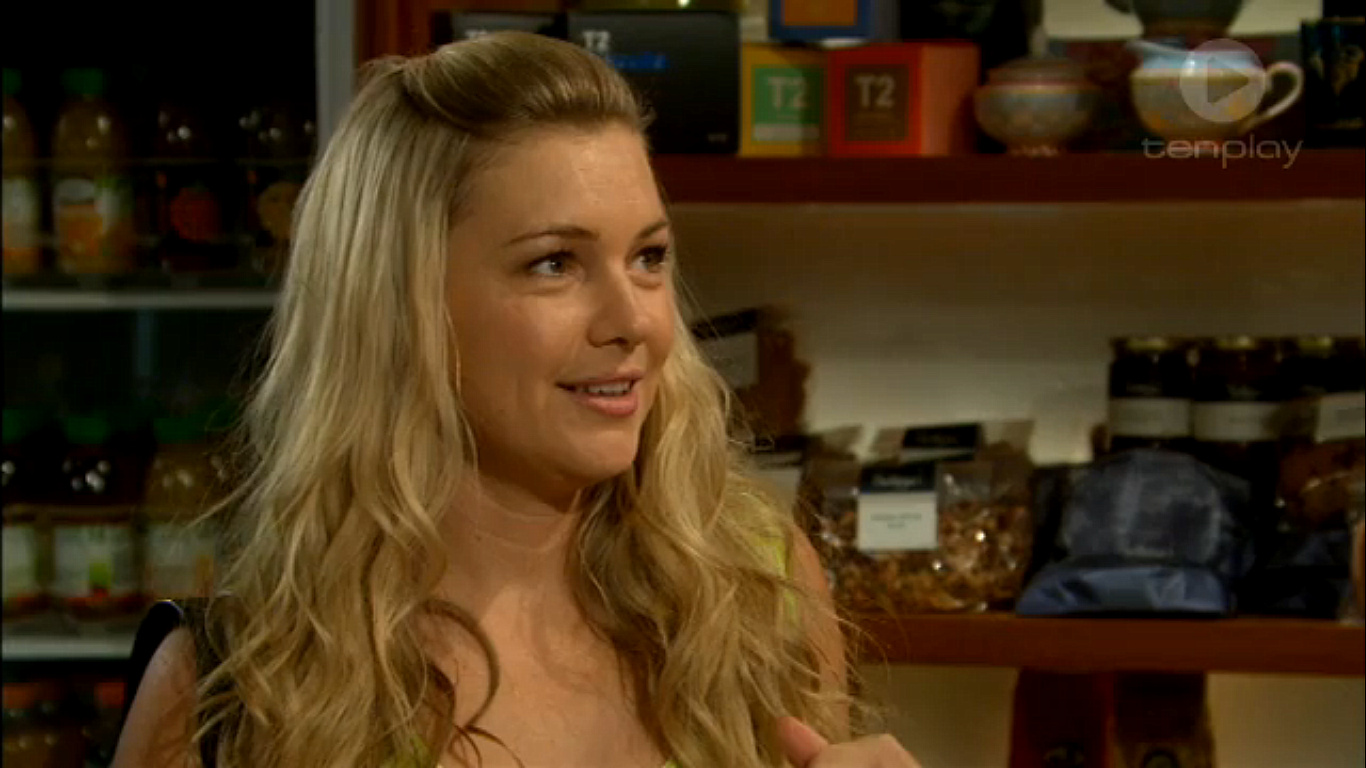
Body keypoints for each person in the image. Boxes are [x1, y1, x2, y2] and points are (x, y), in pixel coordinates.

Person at [112, 31, 923, 768]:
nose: (635, 320)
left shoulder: (752, 586)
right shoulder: (234, 686)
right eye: (554, 264)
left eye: (648, 257)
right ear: (402, 306)